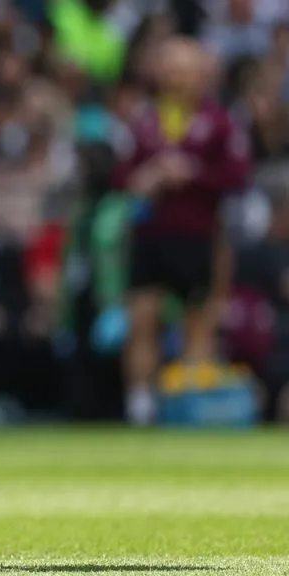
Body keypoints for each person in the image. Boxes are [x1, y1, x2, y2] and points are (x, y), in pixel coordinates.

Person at [112, 37, 251, 425]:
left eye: (185, 70)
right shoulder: (143, 121)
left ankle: (192, 404)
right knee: (142, 320)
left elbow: (237, 176)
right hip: (150, 234)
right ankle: (140, 405)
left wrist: (193, 173)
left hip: (197, 235)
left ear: (202, 75)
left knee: (198, 323)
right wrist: (146, 177)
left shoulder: (219, 121)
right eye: (171, 69)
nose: (177, 78)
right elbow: (120, 175)